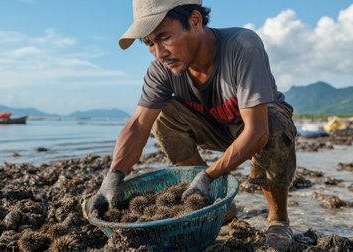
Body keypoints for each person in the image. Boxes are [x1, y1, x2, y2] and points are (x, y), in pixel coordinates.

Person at [84, 0, 297, 250]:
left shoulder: (243, 45)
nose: (159, 52)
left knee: (274, 123)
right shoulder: (161, 70)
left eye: (164, 37)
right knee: (161, 115)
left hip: (255, 124)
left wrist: (209, 175)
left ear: (195, 21)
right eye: (149, 43)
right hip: (213, 127)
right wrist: (113, 176)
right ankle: (216, 203)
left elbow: (258, 131)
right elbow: (139, 124)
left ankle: (278, 219)